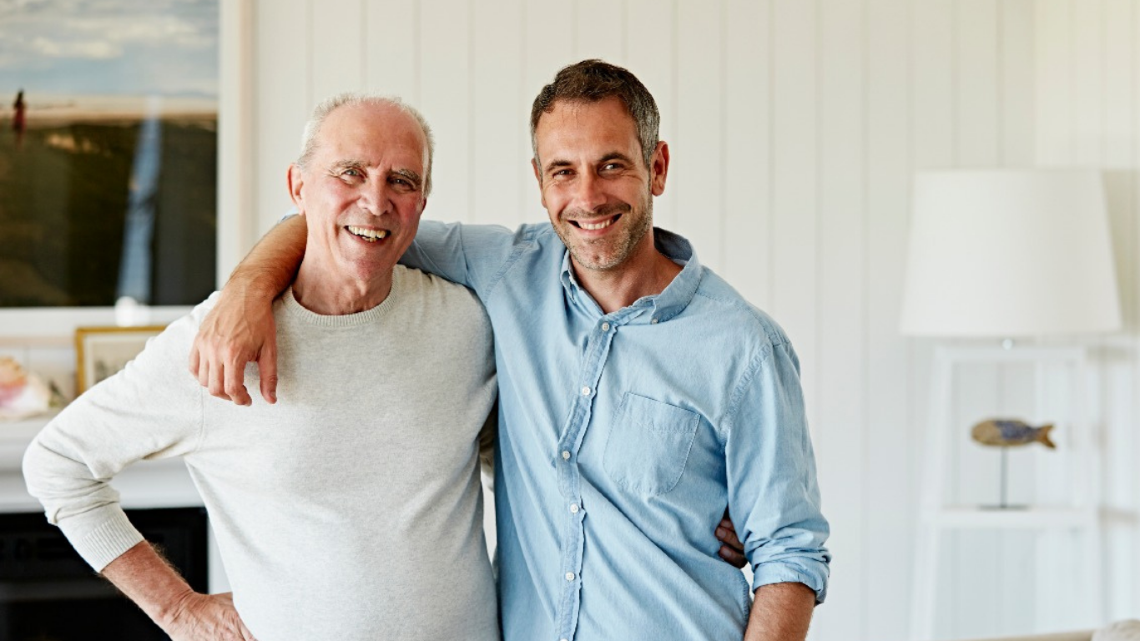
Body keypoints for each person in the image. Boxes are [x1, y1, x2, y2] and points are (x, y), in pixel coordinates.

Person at [194, 59, 830, 641]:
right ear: (539, 179)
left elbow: (790, 553)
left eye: (612, 164)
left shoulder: (744, 346)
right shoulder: (504, 270)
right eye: (563, 171)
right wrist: (247, 288)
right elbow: (347, 224)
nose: (587, 197)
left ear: (657, 167)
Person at [23, 94, 501, 641]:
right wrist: (178, 609)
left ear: (422, 201)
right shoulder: (220, 342)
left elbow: (516, 474)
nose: (376, 200)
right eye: (350, 173)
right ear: (298, 186)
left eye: (402, 180)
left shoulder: (464, 324)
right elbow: (58, 464)